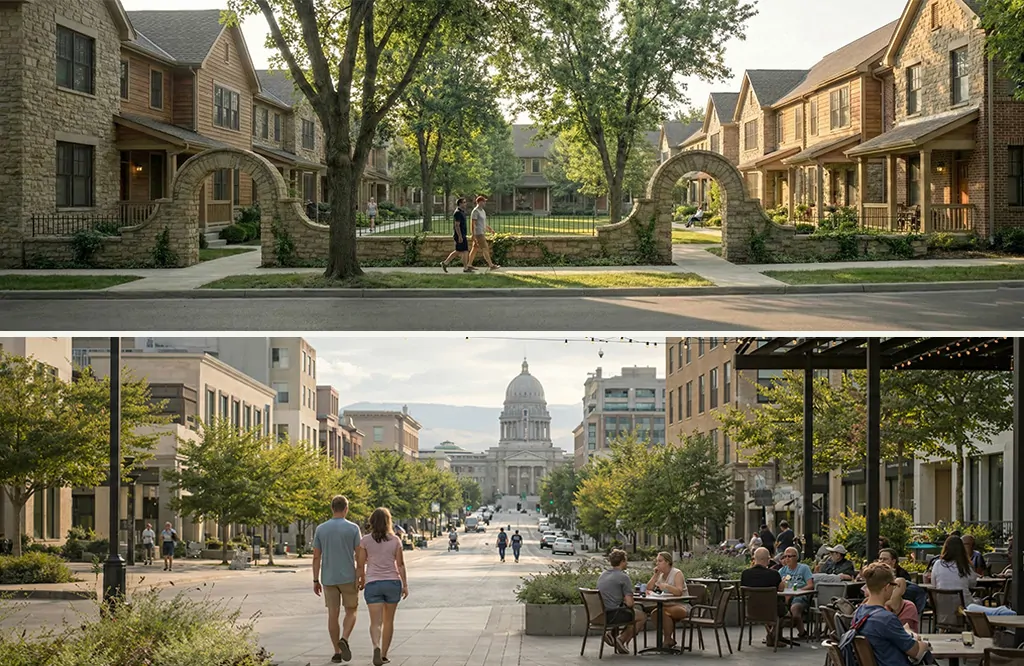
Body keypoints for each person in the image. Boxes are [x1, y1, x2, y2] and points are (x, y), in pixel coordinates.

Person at [313, 495, 363, 664]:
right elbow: (359, 553)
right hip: (348, 577)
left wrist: (315, 580)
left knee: (332, 615)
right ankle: (345, 638)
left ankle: (336, 652)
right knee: (352, 610)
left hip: (328, 578)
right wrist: (360, 574)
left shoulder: (321, 529)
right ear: (346, 509)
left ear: (332, 508)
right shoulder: (353, 528)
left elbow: (316, 557)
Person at [853, 563, 932, 666]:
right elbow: (916, 652)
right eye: (894, 585)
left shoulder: (859, 612)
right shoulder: (886, 618)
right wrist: (924, 643)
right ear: (887, 587)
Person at [357, 507, 408, 666]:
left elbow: (360, 565)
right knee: (388, 621)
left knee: (375, 622)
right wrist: (405, 585)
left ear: (372, 521)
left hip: (373, 583)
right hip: (392, 582)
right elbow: (400, 565)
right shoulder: (395, 540)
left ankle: (376, 647)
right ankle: (384, 655)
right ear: (388, 522)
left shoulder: (365, 541)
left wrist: (362, 580)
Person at [596, 549, 646, 654]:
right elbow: (630, 603)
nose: (627, 563)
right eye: (626, 561)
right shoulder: (623, 577)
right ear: (622, 561)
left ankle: (611, 634)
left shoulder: (603, 574)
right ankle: (621, 640)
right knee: (641, 616)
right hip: (613, 615)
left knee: (629, 614)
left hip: (600, 614)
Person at [741, 547, 786, 646]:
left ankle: (770, 635)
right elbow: (781, 589)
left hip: (751, 610)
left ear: (754, 559)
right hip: (771, 611)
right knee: (782, 609)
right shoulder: (774, 574)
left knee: (766, 609)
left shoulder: (745, 574)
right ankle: (773, 635)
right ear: (767, 559)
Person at [645, 551, 689, 649]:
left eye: (660, 561)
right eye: (657, 561)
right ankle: (668, 639)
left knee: (663, 612)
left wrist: (667, 586)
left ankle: (667, 639)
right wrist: (655, 575)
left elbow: (679, 592)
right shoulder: (660, 576)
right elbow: (648, 588)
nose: (657, 564)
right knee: (655, 613)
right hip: (666, 605)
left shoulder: (677, 573)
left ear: (668, 562)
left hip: (681, 605)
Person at [877, 548, 927, 615]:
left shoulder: (901, 576)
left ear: (893, 561)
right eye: (880, 559)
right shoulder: (876, 574)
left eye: (885, 559)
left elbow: (894, 604)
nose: (881, 561)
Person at [778, 546, 814, 638]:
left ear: (796, 557)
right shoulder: (782, 571)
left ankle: (801, 632)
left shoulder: (804, 568)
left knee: (795, 610)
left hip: (800, 596)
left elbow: (810, 585)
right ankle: (775, 634)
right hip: (784, 596)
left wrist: (797, 591)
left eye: (789, 556)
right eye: (785, 556)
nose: (787, 559)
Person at [466, 195, 500, 271]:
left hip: (482, 232)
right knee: (485, 248)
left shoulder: (482, 211)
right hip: (478, 233)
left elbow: (483, 223)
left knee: (474, 248)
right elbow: (472, 223)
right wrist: (473, 234)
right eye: (484, 201)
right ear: (480, 202)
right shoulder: (475, 211)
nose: (485, 203)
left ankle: (469, 265)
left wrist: (490, 229)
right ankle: (491, 265)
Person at [441, 198, 471, 273]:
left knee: (460, 251)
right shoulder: (457, 213)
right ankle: (465, 268)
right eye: (464, 202)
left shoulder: (462, 212)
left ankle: (445, 263)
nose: (465, 204)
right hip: (459, 235)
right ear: (460, 204)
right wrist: (460, 236)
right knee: (464, 251)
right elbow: (457, 226)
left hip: (463, 234)